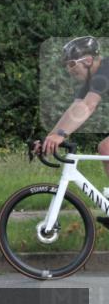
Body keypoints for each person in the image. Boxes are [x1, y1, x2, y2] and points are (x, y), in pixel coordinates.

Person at [41, 35, 109, 199]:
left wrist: (61, 135)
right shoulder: (91, 79)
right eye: (66, 66)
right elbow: (75, 109)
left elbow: (88, 105)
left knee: (106, 147)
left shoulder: (105, 71)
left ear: (87, 60)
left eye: (72, 64)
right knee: (105, 148)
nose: (69, 69)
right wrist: (51, 137)